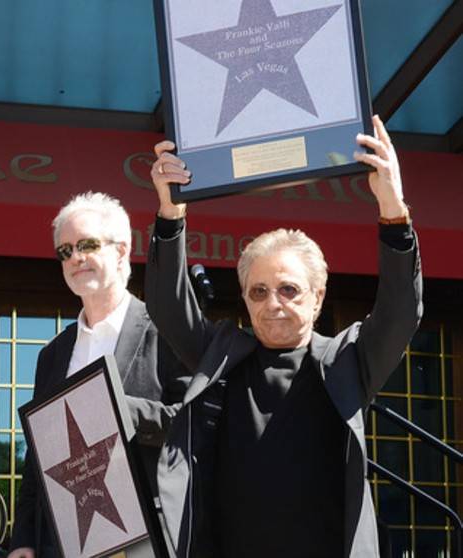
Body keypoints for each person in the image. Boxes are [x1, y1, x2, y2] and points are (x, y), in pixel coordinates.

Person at [145, 115, 423, 558]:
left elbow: (399, 313)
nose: (273, 302)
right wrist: (170, 210)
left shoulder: (347, 360)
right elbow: (167, 305)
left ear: (318, 297)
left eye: (289, 289)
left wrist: (393, 209)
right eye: (259, 291)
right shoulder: (222, 356)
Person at [8, 192, 189, 558]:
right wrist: (23, 537)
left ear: (121, 251)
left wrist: (119, 409)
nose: (75, 258)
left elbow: (194, 422)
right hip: (62, 544)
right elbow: (38, 457)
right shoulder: (52, 355)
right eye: (65, 251)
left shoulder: (167, 332)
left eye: (87, 244)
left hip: (146, 541)